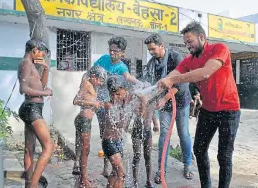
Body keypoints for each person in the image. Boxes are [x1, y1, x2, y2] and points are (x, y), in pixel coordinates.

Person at [158, 21, 241, 188]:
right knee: (199, 150)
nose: (187, 46)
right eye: (185, 43)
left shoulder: (219, 49)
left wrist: (172, 80)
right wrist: (160, 84)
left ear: (201, 37)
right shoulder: (189, 60)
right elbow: (175, 73)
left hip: (229, 111)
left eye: (190, 42)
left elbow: (205, 72)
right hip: (207, 110)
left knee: (224, 156)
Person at [92, 36, 147, 177]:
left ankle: (115, 165)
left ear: (122, 53)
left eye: (115, 51)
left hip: (115, 104)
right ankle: (106, 166)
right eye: (110, 50)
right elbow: (92, 73)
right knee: (105, 133)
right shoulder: (103, 59)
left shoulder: (122, 67)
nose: (112, 53)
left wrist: (142, 85)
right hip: (102, 103)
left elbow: (128, 78)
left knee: (117, 131)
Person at [143, 33, 193, 182]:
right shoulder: (152, 64)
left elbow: (182, 82)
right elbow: (151, 85)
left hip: (181, 101)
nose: (151, 52)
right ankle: (161, 170)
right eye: (149, 50)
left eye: (153, 49)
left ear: (161, 46)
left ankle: (188, 165)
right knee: (164, 135)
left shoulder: (175, 57)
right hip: (166, 104)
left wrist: (164, 98)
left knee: (183, 133)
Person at [18, 39, 54, 188]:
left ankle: (28, 183)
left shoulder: (31, 65)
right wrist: (44, 93)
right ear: (34, 50)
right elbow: (23, 89)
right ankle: (33, 185)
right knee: (49, 146)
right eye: (41, 52)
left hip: (32, 108)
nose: (42, 56)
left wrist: (46, 69)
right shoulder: (26, 64)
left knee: (30, 149)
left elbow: (41, 84)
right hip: (31, 108)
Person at [102, 75, 147, 188]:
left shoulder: (126, 101)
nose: (115, 97)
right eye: (112, 94)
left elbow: (141, 115)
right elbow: (119, 123)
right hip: (109, 143)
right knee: (121, 174)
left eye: (118, 94)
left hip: (118, 142)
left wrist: (142, 101)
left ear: (125, 90)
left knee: (114, 172)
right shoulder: (109, 105)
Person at [72, 66, 107, 188]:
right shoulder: (86, 84)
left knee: (85, 150)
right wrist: (93, 103)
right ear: (93, 77)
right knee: (85, 150)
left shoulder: (92, 86)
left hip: (86, 120)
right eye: (100, 80)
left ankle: (83, 177)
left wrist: (98, 104)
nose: (101, 83)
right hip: (83, 120)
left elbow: (89, 101)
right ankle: (83, 180)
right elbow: (75, 101)